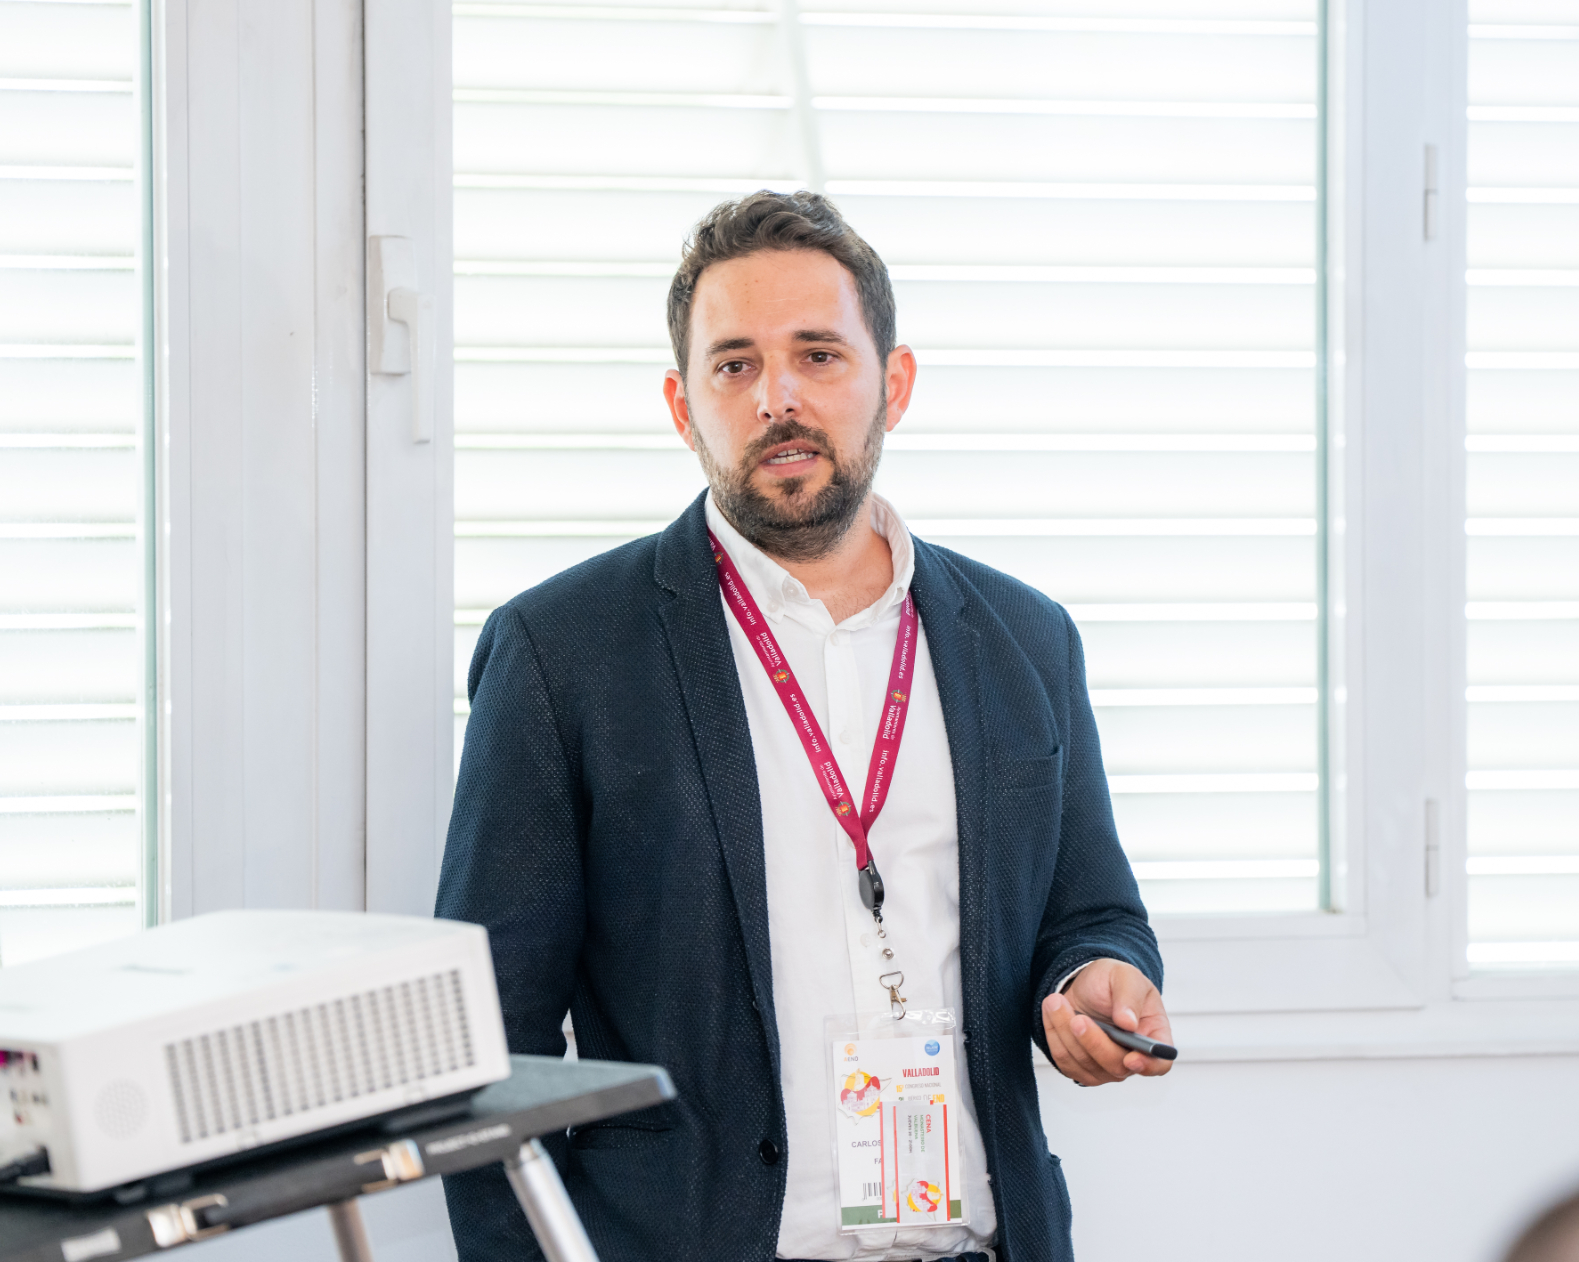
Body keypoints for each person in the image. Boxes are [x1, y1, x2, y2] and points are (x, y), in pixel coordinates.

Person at [437, 190, 1171, 1262]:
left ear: (894, 383)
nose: (776, 396)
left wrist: (1090, 977)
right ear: (683, 406)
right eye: (734, 364)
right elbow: (486, 1045)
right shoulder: (561, 652)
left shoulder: (1025, 638)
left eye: (818, 355)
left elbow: (1092, 910)